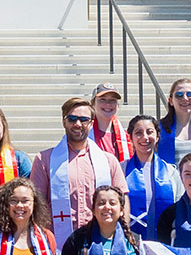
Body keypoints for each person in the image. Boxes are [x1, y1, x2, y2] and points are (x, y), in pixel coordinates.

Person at [32, 97, 125, 241]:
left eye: (83, 119)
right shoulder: (44, 159)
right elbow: (37, 204)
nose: (77, 124)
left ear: (91, 123)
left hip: (99, 241)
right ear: (64, 121)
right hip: (57, 244)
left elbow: (122, 200)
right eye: (72, 119)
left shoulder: (108, 161)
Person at [124, 114, 180, 236]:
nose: (145, 137)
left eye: (150, 132)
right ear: (131, 138)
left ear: (158, 136)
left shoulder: (171, 172)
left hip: (164, 243)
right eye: (138, 133)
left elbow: (179, 207)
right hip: (130, 243)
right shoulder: (121, 170)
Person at [157, 78, 191, 163]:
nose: (185, 98)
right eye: (179, 95)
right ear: (170, 101)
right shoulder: (159, 129)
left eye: (190, 94)